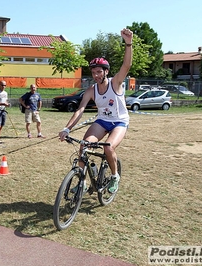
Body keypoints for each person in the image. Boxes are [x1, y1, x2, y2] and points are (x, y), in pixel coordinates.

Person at [58, 28, 133, 194]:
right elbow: (80, 110)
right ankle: (83, 182)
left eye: (99, 71)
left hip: (119, 121)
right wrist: (67, 128)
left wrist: (128, 43)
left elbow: (126, 65)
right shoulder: (91, 90)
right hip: (102, 121)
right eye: (93, 72)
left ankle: (114, 176)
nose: (96, 75)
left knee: (108, 148)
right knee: (84, 146)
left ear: (106, 71)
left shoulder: (116, 83)